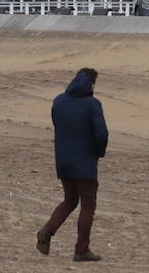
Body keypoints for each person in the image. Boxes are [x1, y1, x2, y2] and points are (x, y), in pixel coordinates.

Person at [36, 68, 108, 262]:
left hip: (64, 161)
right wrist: (99, 152)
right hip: (84, 162)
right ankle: (81, 249)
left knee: (70, 200)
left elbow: (57, 125)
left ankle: (47, 230)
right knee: (87, 205)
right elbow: (101, 134)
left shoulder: (59, 101)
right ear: (91, 84)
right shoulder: (92, 104)